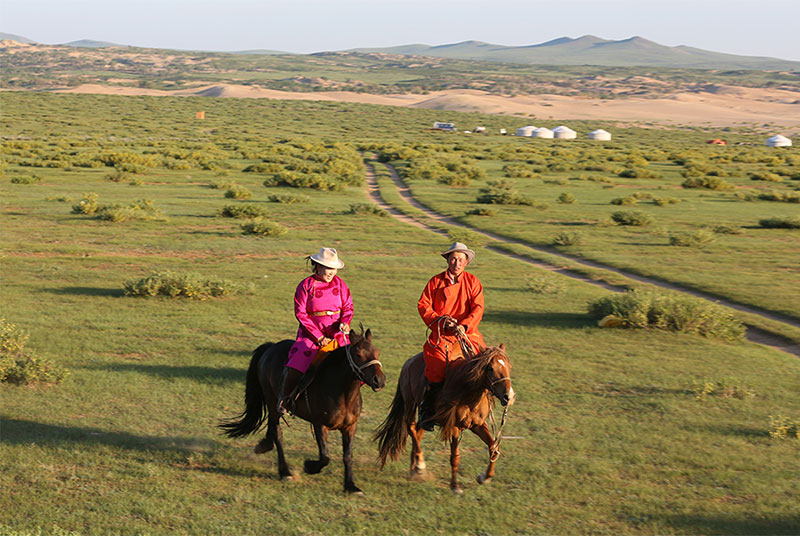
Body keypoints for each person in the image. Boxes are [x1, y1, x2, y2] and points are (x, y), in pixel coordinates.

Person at [417, 242, 486, 431]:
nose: (457, 263)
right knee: (436, 366)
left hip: (468, 333)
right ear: (448, 260)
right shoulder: (435, 282)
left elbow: (478, 307)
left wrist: (464, 325)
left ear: (466, 263)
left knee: (486, 362)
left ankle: (484, 404)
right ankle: (427, 410)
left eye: (461, 260)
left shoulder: (473, 282)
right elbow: (424, 306)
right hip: (442, 335)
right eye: (453, 259)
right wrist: (440, 321)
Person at [278, 247, 354, 415]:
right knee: (300, 358)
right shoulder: (306, 285)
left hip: (336, 331)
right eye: (328, 268)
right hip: (311, 332)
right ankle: (285, 397)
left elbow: (348, 307)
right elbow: (301, 313)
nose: (331, 272)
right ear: (318, 266)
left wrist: (345, 322)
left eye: (333, 269)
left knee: (353, 358)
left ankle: (349, 399)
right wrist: (319, 337)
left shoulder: (341, 284)